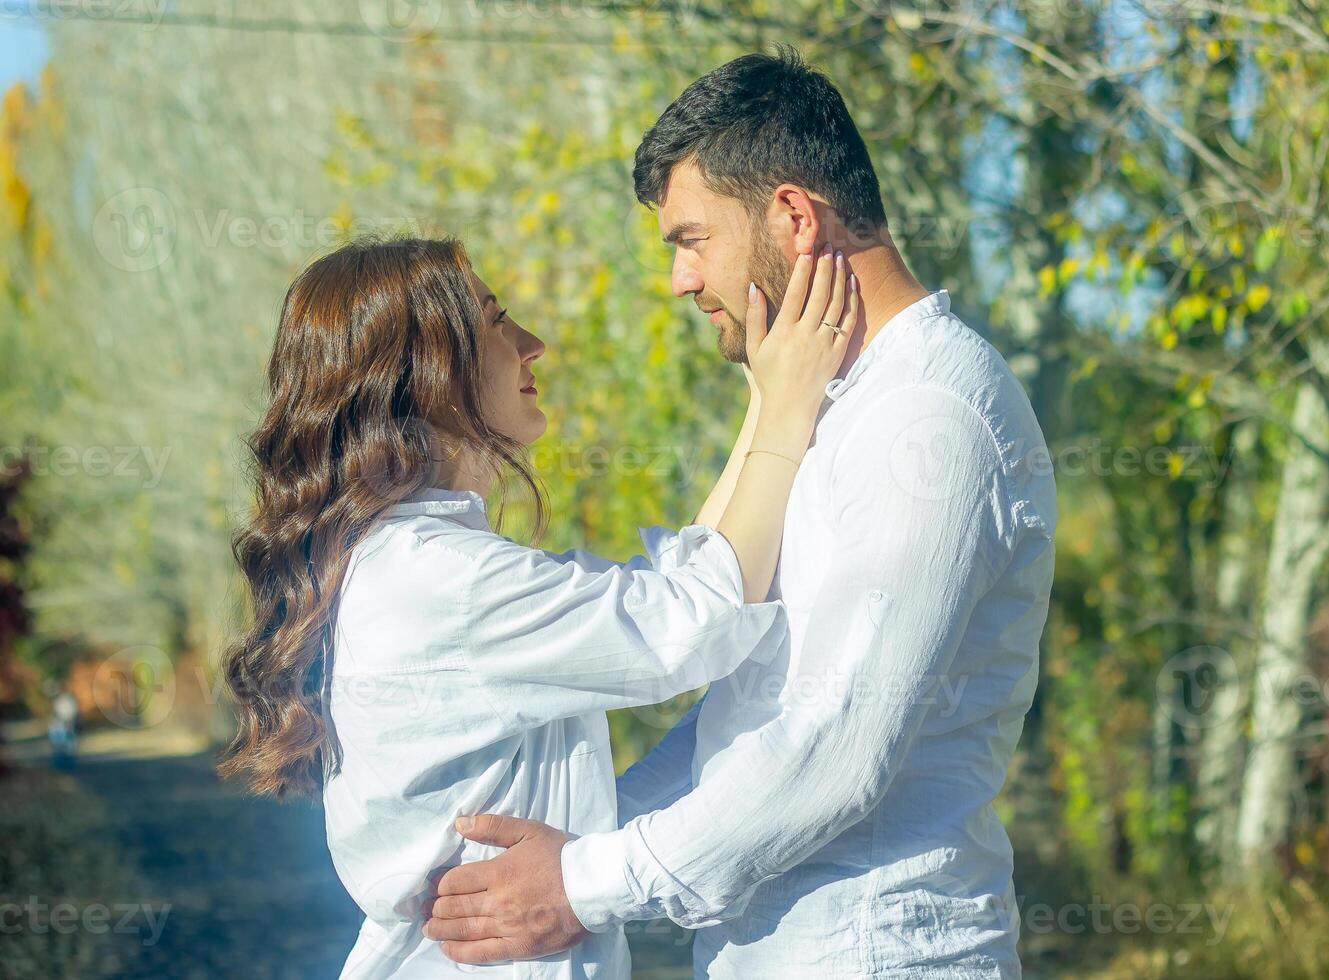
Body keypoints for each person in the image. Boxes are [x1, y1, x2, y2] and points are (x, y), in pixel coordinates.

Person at [426, 48, 1058, 979]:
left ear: (794, 218)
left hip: (879, 954)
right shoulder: (839, 406)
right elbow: (752, 708)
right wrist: (578, 843)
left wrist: (585, 882)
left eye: (691, 239)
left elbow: (837, 745)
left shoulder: (929, 416)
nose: (680, 281)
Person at [217, 235, 859, 978]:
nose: (534, 345)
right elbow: (697, 621)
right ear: (426, 373)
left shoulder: (398, 565)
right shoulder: (441, 581)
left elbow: (689, 589)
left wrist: (763, 396)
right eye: (497, 322)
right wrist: (786, 409)